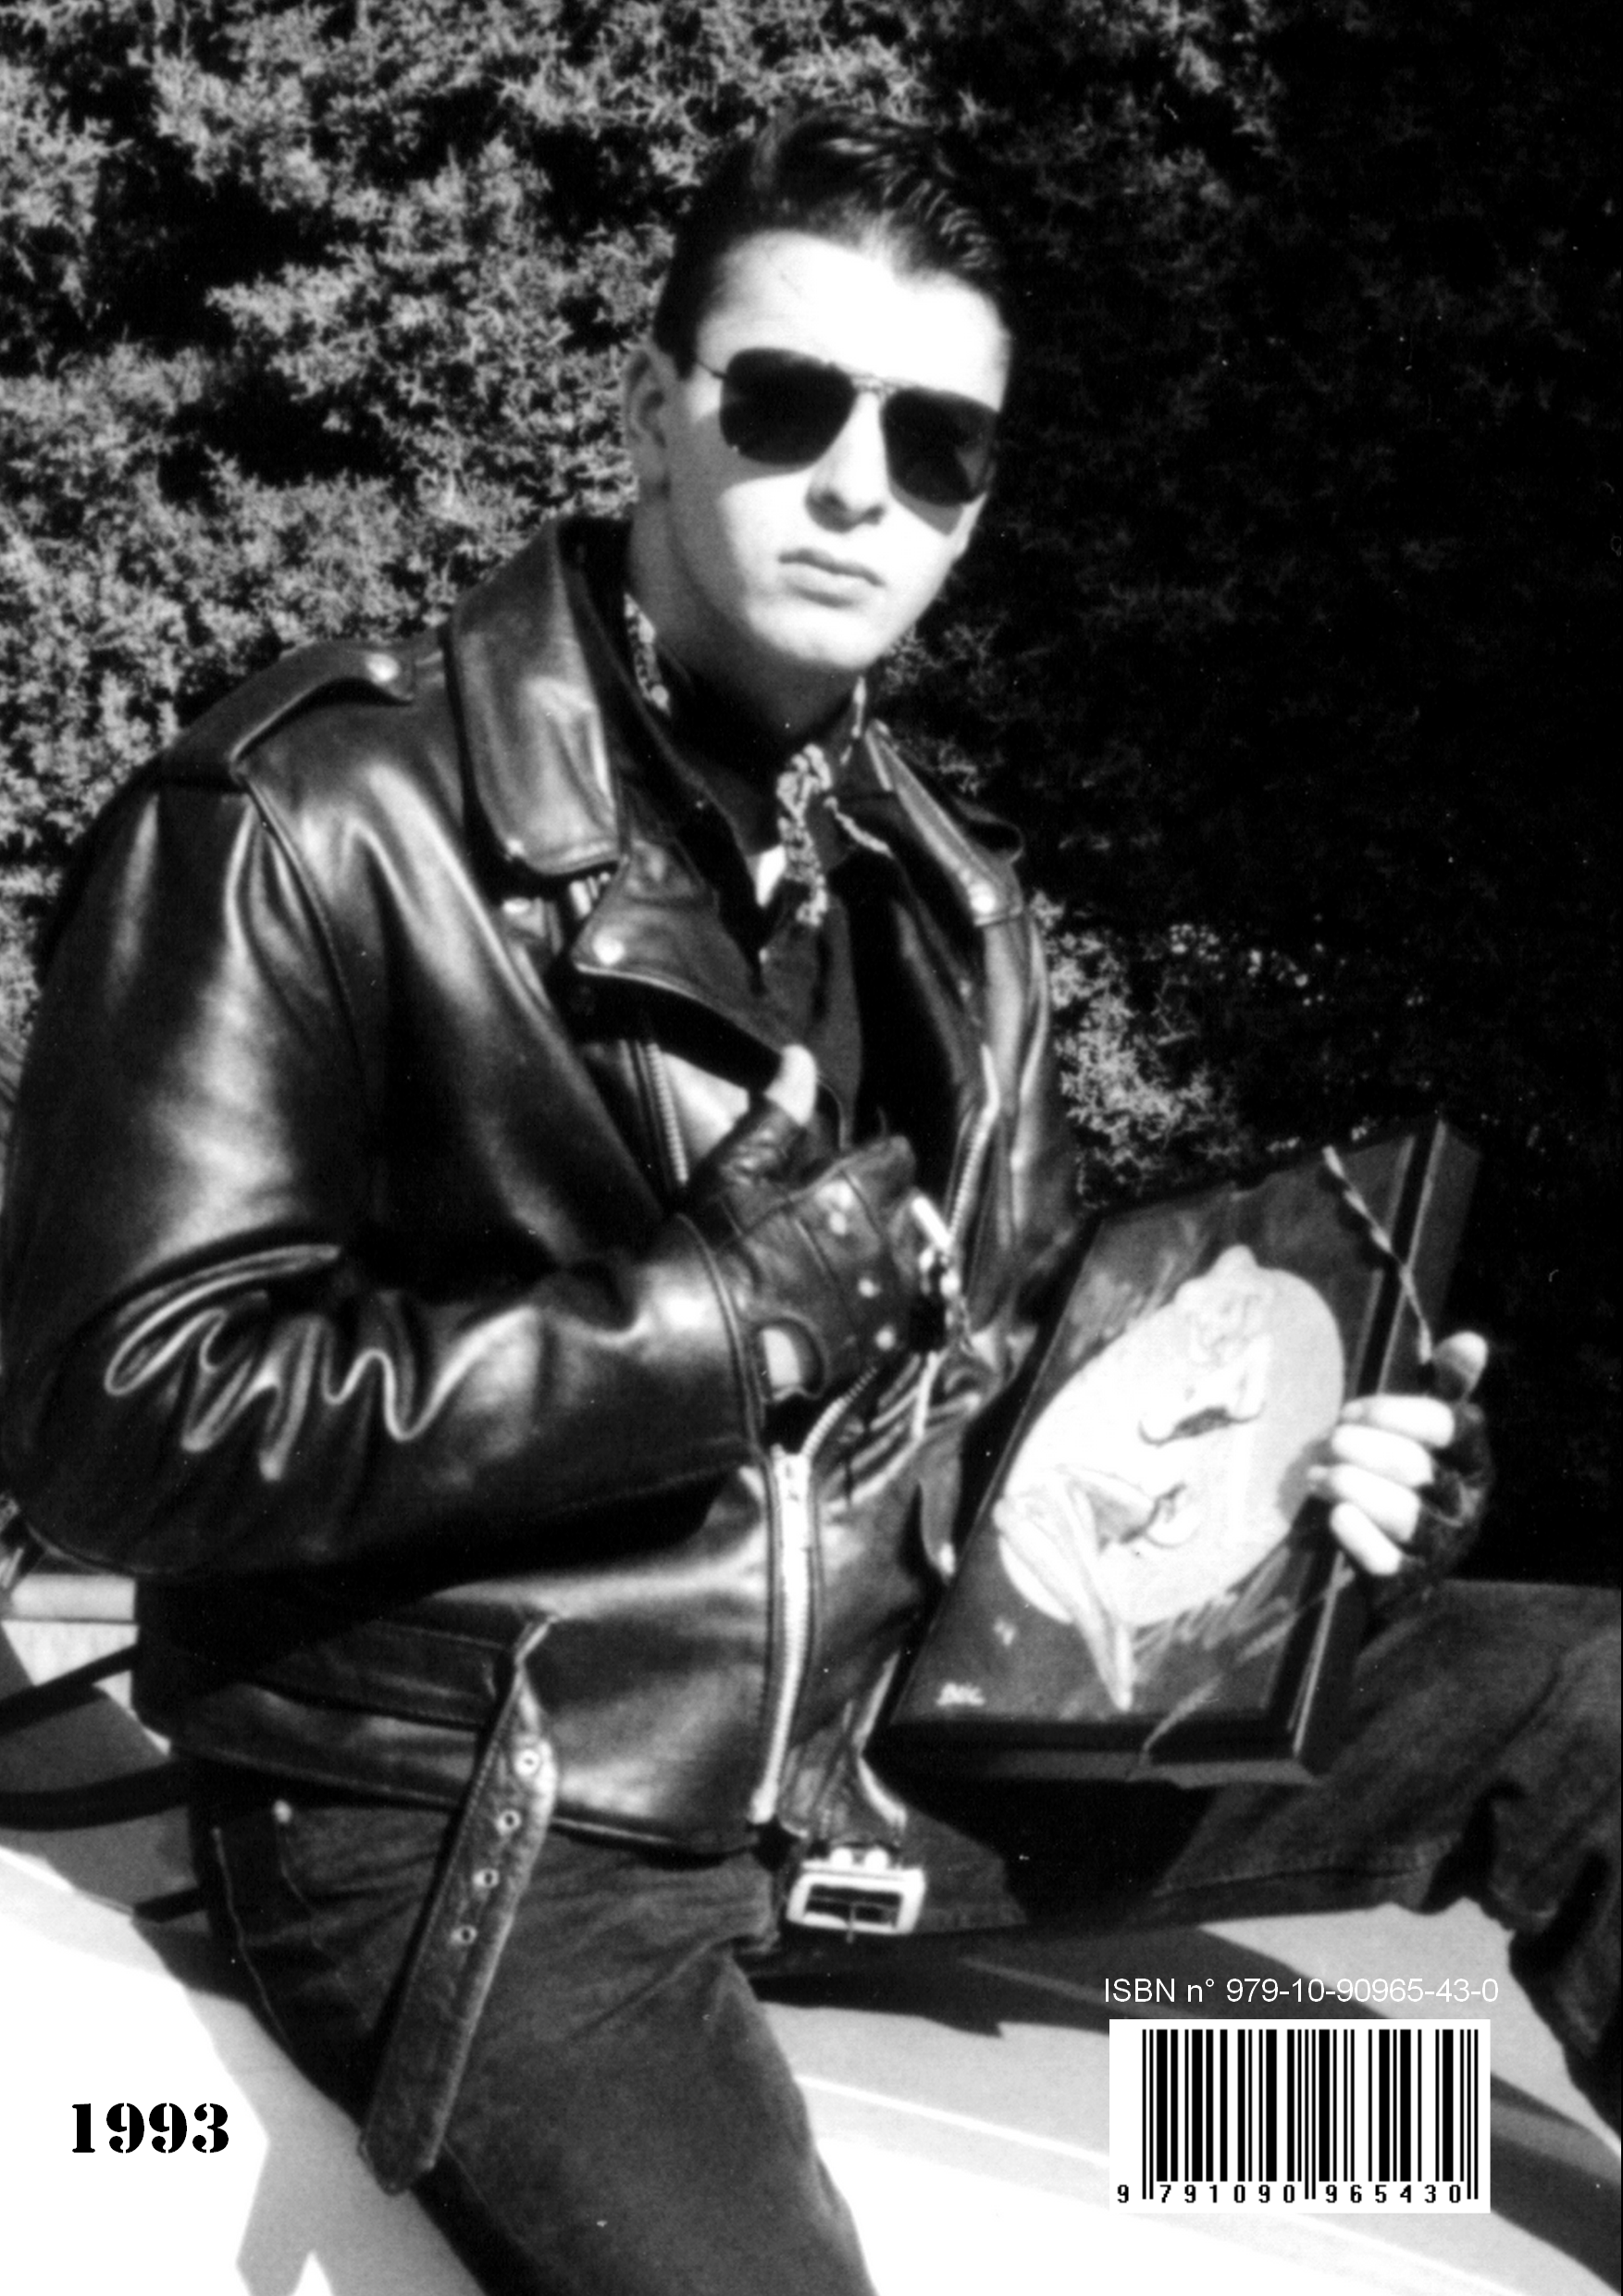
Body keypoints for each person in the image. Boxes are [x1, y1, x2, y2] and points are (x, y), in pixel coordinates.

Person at [0, 108, 1615, 2296]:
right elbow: (115, 1414)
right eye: (788, 403)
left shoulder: (936, 905)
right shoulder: (314, 816)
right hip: (499, 1814)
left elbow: (1013, 1416)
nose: (862, 483)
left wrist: (1306, 1496)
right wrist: (718, 1323)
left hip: (873, 1749)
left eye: (937, 444)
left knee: (1586, 1697)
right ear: (647, 414)